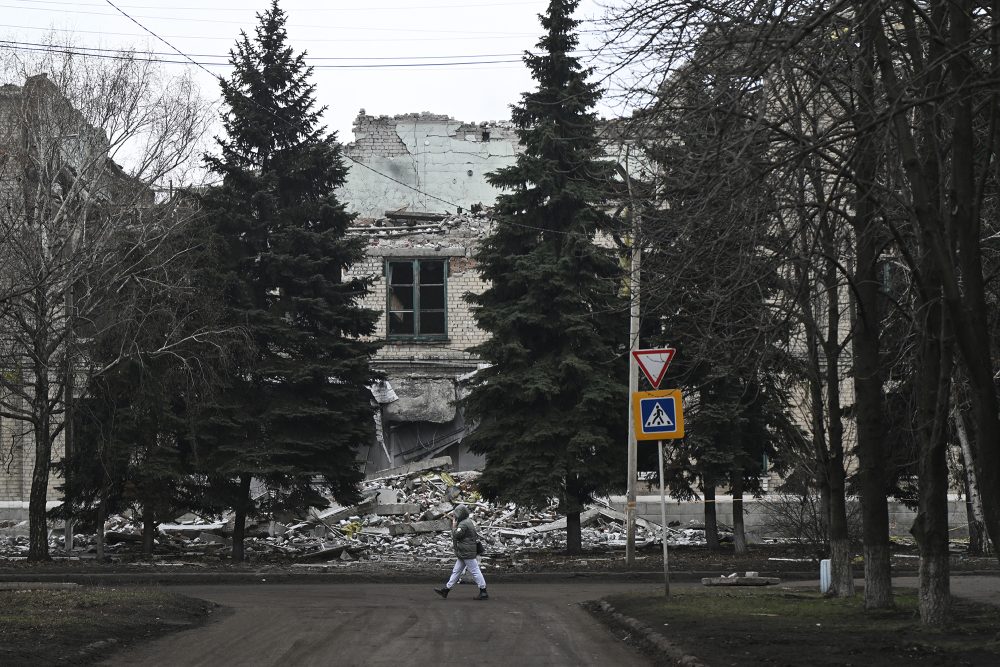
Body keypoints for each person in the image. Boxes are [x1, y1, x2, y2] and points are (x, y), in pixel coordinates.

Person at [434, 503, 488, 600]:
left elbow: (456, 535)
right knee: (456, 571)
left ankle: (483, 591)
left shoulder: (463, 524)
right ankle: (446, 589)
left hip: (466, 551)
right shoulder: (467, 521)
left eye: (456, 514)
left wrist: (454, 526)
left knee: (475, 571)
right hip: (465, 551)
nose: (455, 516)